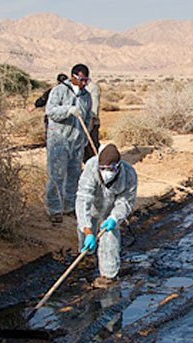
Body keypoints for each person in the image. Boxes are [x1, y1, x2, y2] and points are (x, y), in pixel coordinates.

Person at [75, 143, 137, 288]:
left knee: (110, 236)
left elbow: (126, 201)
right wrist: (87, 230)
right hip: (93, 207)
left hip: (111, 211)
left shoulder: (129, 174)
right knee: (85, 232)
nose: (106, 173)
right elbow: (83, 198)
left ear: (118, 166)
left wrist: (114, 218)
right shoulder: (91, 167)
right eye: (103, 169)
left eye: (110, 169)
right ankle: (87, 255)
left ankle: (108, 275)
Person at [45, 64, 93, 224]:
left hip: (77, 142)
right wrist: (68, 110)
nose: (84, 83)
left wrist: (85, 135)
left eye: (86, 80)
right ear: (73, 76)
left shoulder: (87, 96)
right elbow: (50, 111)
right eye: (81, 79)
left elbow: (87, 118)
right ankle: (54, 209)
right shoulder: (59, 91)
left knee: (74, 176)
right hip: (59, 140)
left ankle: (69, 207)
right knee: (56, 175)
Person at [83, 76, 101, 162]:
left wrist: (91, 124)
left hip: (91, 123)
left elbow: (94, 108)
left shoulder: (93, 88)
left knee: (92, 146)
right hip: (82, 123)